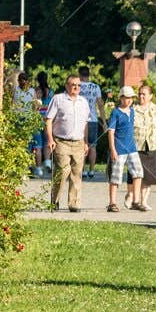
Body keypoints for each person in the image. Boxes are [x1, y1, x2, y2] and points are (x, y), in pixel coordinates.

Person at [45, 73, 92, 212]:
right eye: (73, 85)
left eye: (78, 85)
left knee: (77, 173)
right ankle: (55, 200)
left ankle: (74, 204)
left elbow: (86, 123)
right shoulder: (58, 99)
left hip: (78, 142)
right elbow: (48, 120)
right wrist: (50, 140)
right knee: (63, 171)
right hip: (61, 142)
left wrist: (85, 142)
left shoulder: (83, 102)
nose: (76, 87)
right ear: (67, 86)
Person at [131, 82, 156, 212]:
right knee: (136, 175)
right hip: (136, 147)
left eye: (144, 94)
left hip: (151, 146)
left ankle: (143, 201)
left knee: (148, 177)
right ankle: (134, 199)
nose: (141, 96)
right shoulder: (133, 109)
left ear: (150, 96)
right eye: (140, 93)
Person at [104, 86, 145, 213]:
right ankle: (112, 203)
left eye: (130, 98)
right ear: (121, 98)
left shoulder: (132, 111)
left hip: (132, 148)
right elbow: (111, 132)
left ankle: (136, 201)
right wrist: (113, 150)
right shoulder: (115, 112)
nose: (128, 100)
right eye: (126, 97)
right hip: (119, 149)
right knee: (116, 176)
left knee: (138, 173)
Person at [78, 66, 103, 178]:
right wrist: (104, 121)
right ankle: (92, 170)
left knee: (82, 145)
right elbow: (100, 105)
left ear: (79, 75)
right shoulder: (95, 87)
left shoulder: (77, 86)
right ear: (89, 75)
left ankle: (82, 169)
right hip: (92, 119)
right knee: (93, 146)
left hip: (80, 118)